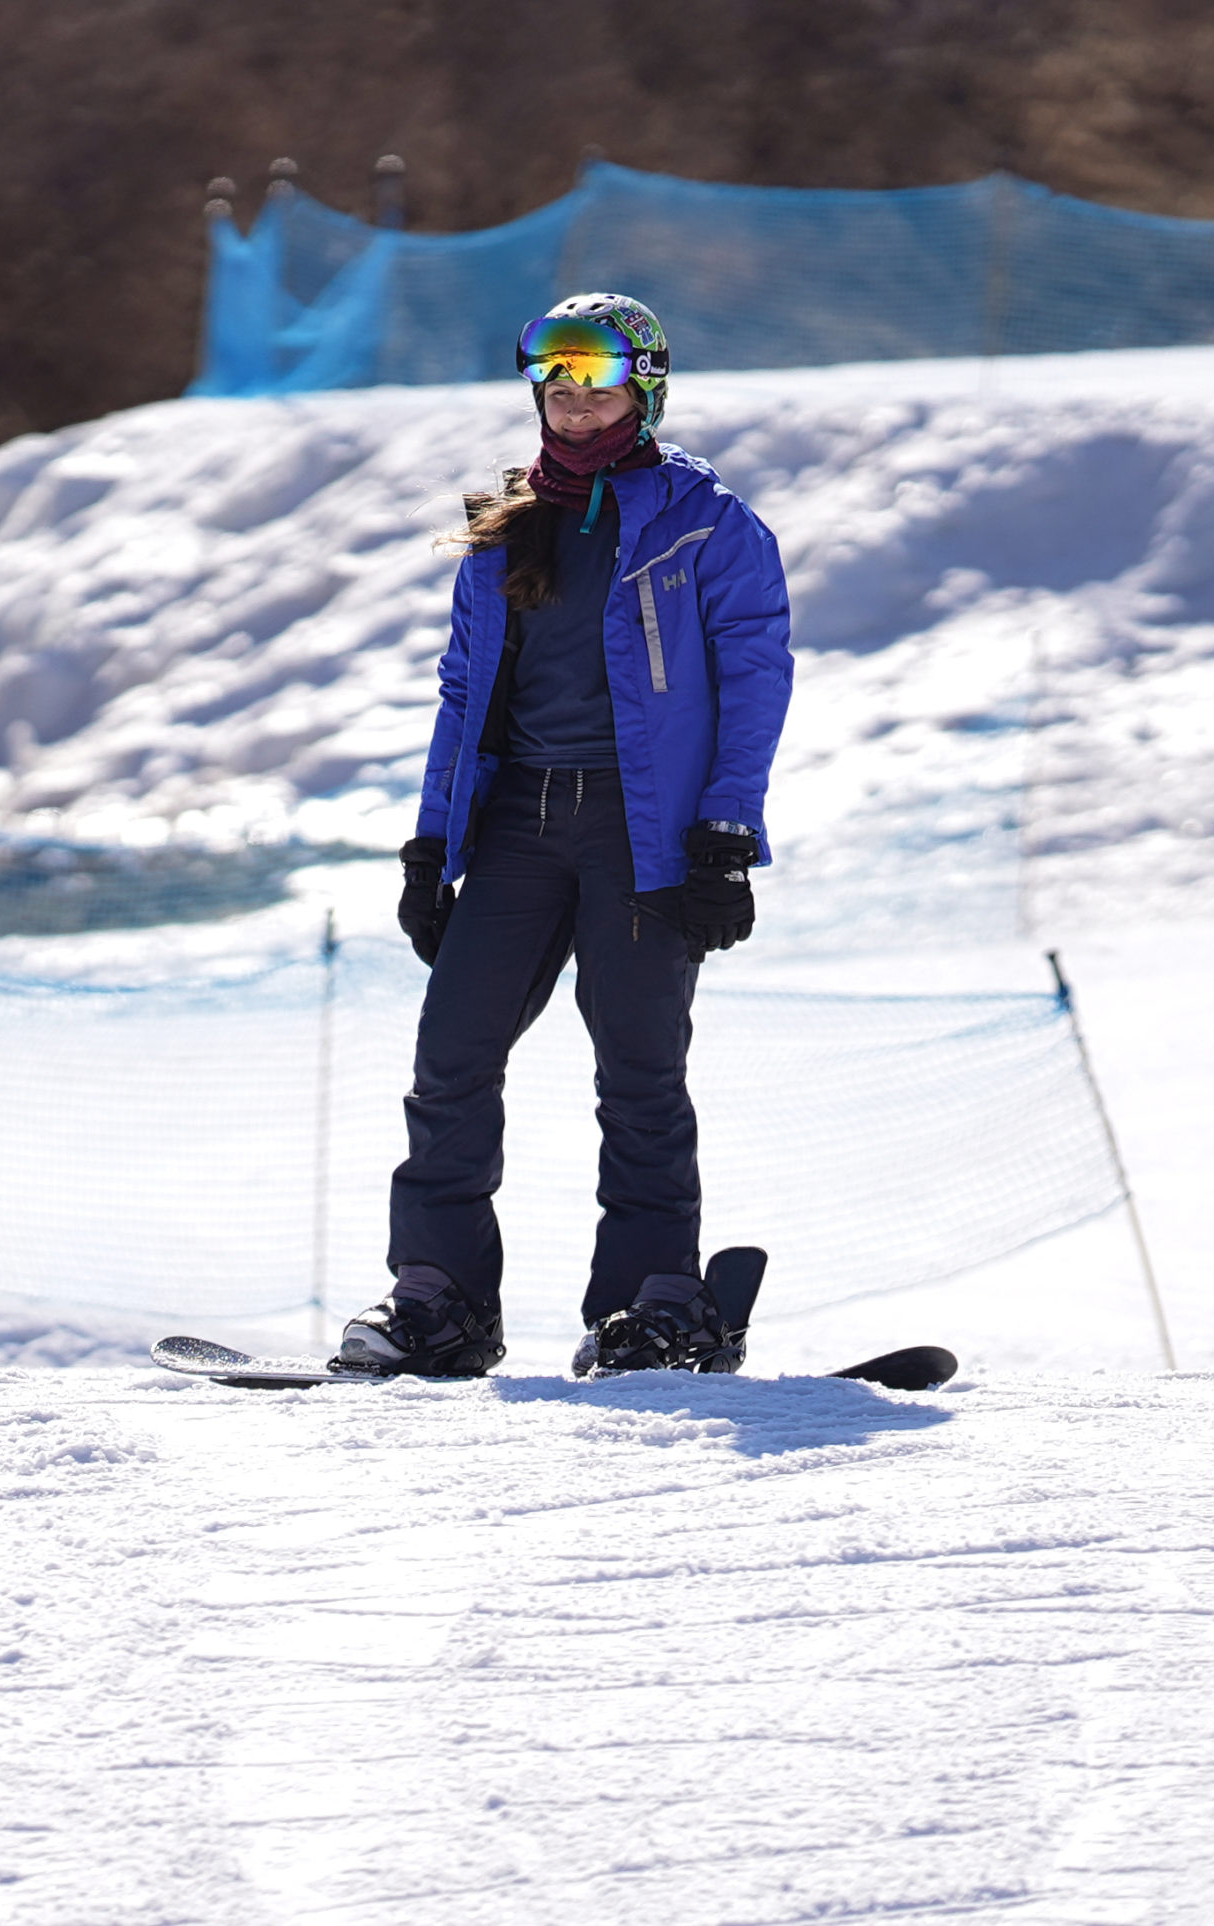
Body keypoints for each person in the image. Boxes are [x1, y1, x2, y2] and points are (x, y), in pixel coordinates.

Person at [338, 293, 793, 1380]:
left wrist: (725, 834)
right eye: (556, 385)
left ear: (643, 390)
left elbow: (754, 679)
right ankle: (440, 1303)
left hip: (645, 837)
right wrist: (429, 845)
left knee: (636, 1073)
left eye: (596, 385)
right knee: (450, 1057)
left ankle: (650, 1305)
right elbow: (462, 691)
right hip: (517, 829)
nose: (574, 405)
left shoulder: (703, 521)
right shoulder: (509, 523)